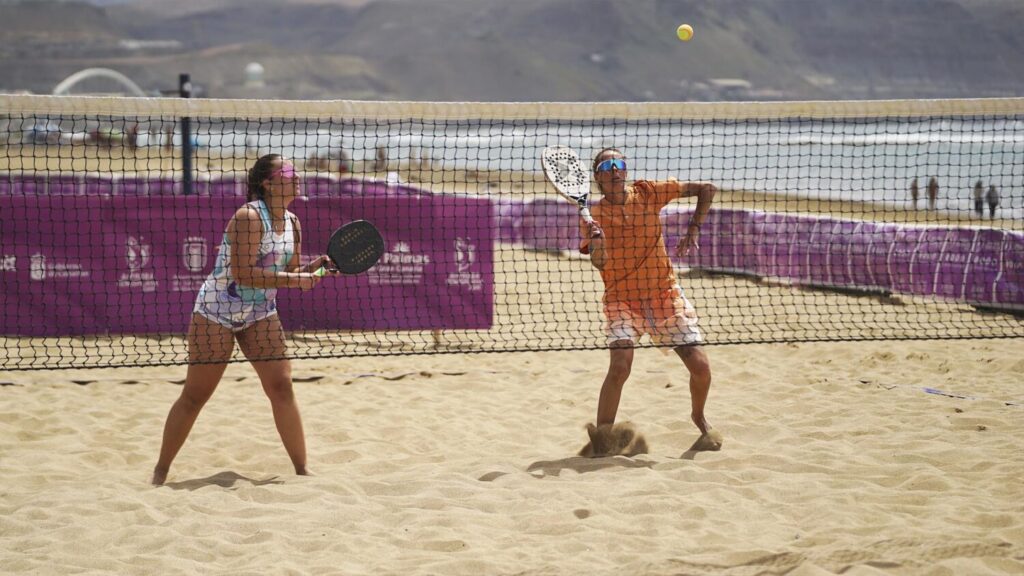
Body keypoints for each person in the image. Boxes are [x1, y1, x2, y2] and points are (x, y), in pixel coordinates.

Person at [151, 154, 338, 485]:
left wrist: (310, 269)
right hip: (216, 313)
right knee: (195, 395)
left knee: (281, 387)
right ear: (267, 183)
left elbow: (290, 271)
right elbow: (244, 274)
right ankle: (160, 472)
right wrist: (296, 280)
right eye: (289, 172)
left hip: (259, 314)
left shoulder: (293, 222)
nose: (297, 177)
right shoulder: (249, 217)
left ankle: (301, 469)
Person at [579, 148, 722, 454]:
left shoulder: (648, 193)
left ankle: (698, 417)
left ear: (625, 172)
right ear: (598, 178)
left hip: (663, 294)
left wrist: (692, 229)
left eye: (620, 164)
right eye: (607, 165)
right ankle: (602, 439)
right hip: (622, 299)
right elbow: (599, 263)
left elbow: (707, 189)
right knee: (620, 367)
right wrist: (597, 243)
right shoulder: (594, 217)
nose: (615, 170)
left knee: (701, 368)